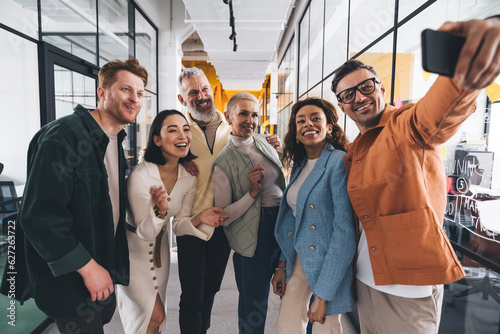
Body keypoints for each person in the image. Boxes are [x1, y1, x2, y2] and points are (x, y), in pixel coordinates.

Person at [329, 17, 500, 334]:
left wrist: (461, 75)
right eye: (348, 95)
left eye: (365, 87)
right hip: (366, 282)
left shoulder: (405, 127)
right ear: (342, 106)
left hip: (408, 289)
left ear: (381, 88)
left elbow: (438, 112)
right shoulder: (353, 152)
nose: (359, 98)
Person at [2, 59, 148, 333]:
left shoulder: (114, 138)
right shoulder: (63, 137)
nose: (134, 99)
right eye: (126, 90)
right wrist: (88, 268)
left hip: (100, 264)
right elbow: (39, 216)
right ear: (102, 92)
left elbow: (103, 202)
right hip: (71, 276)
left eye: (140, 93)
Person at [174, 67, 281, 333]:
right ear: (182, 99)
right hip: (194, 222)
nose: (201, 96)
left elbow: (249, 141)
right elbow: (155, 156)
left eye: (204, 89)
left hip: (224, 223)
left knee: (210, 289)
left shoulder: (228, 124)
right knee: (191, 297)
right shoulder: (178, 129)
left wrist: (270, 142)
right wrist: (178, 159)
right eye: (193, 92)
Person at [115, 110, 229, 334]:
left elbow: (179, 224)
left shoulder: (188, 177)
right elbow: (145, 233)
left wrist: (200, 217)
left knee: (155, 321)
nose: (183, 135)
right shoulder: (141, 175)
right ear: (157, 140)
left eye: (185, 129)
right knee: (153, 316)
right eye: (172, 130)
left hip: (161, 256)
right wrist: (158, 211)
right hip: (133, 256)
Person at [271, 97, 356, 333]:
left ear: (329, 127)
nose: (308, 124)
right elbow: (294, 220)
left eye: (315, 118)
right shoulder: (300, 165)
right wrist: (281, 265)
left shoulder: (337, 162)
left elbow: (345, 232)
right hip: (298, 257)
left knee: (325, 327)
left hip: (329, 262)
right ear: (296, 133)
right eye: (301, 121)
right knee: (287, 325)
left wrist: (323, 293)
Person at [213, 93, 285, 333]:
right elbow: (223, 215)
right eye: (243, 113)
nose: (250, 120)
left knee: (295, 294)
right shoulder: (223, 161)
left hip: (285, 224)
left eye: (255, 114)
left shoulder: (265, 142)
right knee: (254, 305)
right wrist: (252, 193)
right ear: (228, 117)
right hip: (255, 233)